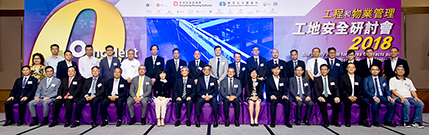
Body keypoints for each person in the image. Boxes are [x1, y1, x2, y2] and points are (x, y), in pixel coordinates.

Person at [339, 63, 370, 127]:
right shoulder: (342, 77)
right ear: (347, 69)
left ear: (355, 69)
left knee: (364, 103)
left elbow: (361, 89)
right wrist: (348, 96)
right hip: (346, 96)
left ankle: (363, 120)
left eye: (352, 67)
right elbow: (341, 88)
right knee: (347, 102)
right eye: (349, 67)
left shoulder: (359, 78)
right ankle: (347, 120)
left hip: (356, 96)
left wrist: (356, 97)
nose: (351, 69)